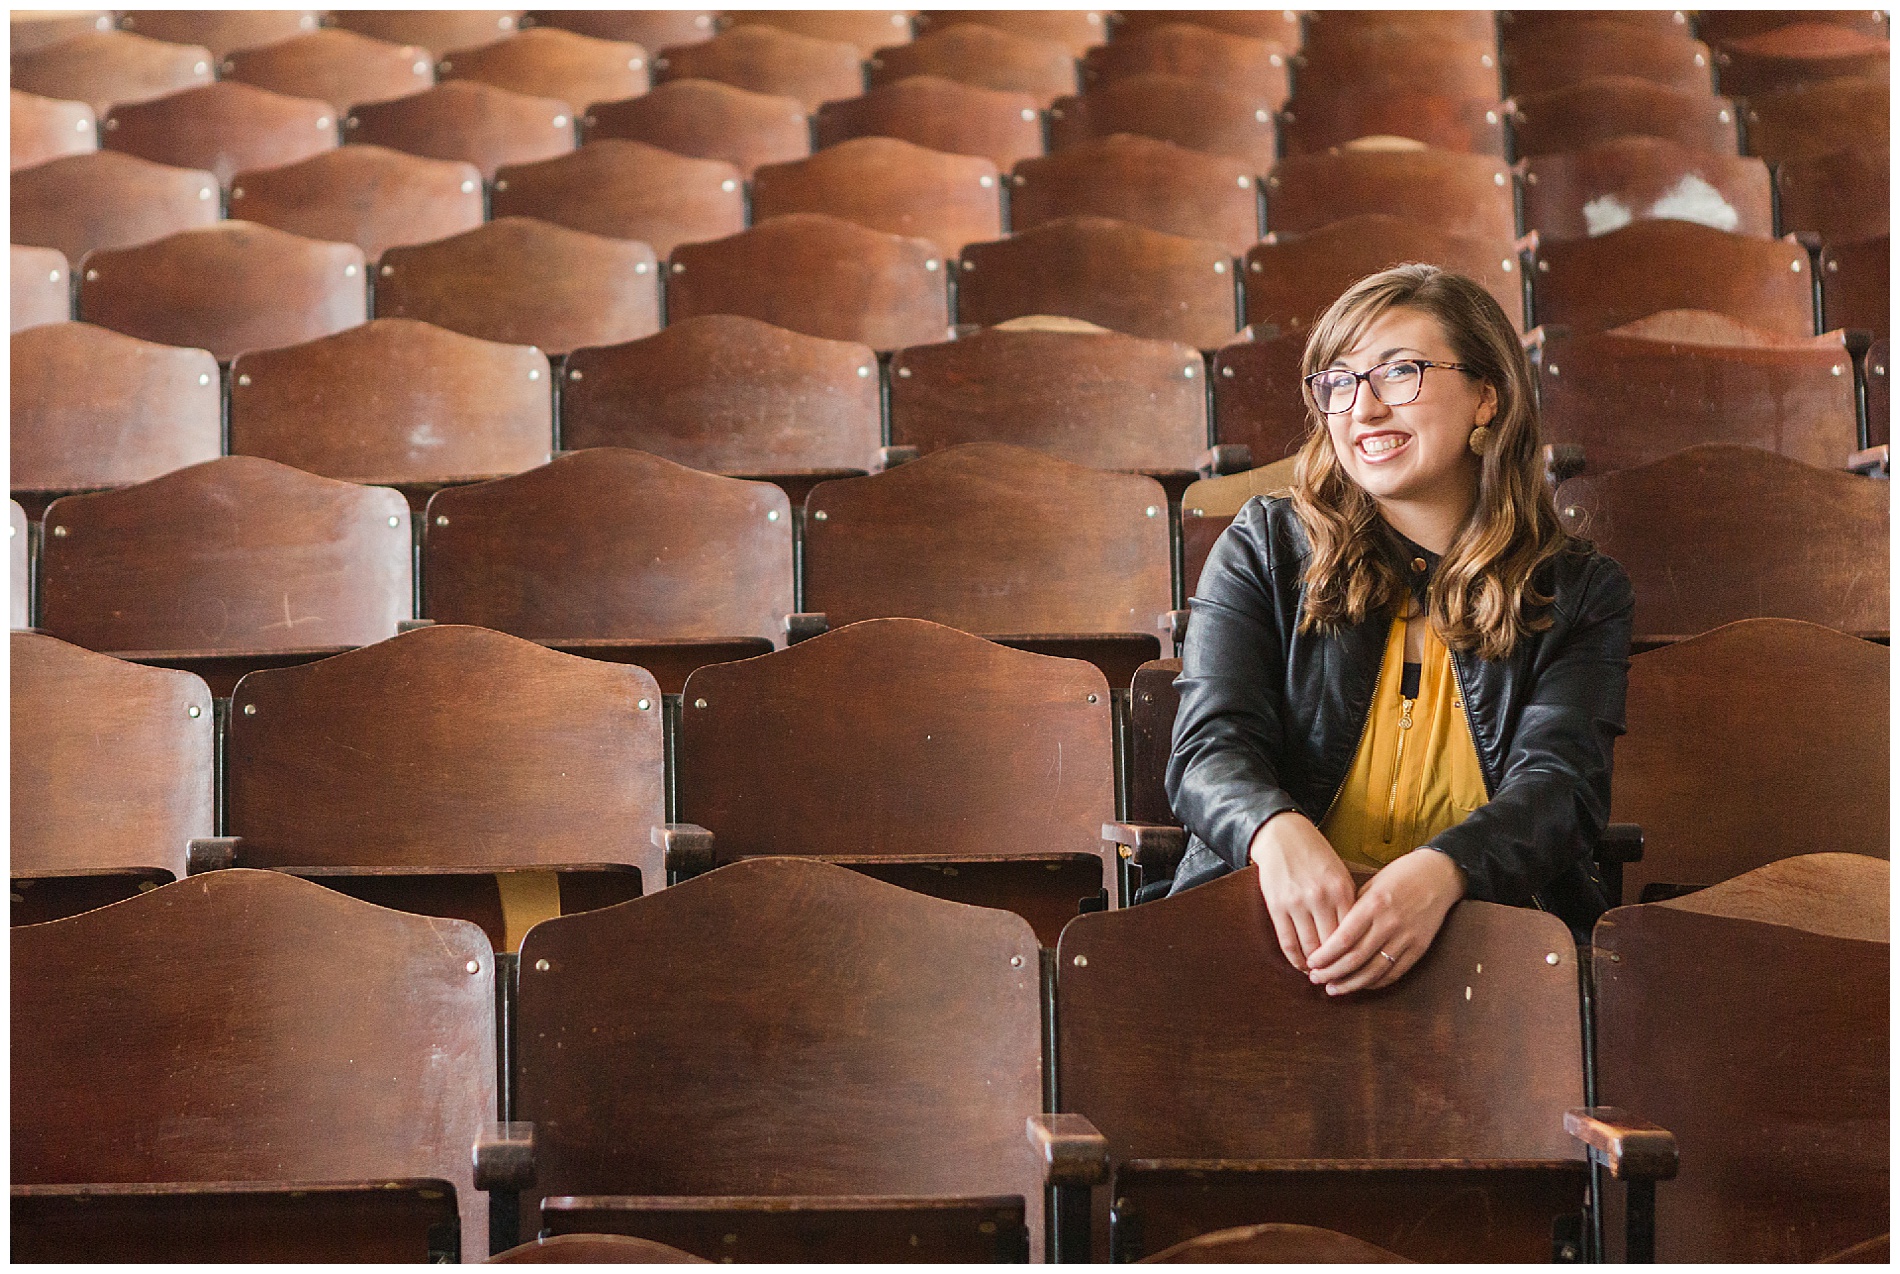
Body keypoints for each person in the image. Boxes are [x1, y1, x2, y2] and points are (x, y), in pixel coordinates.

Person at [1166, 263, 1634, 996]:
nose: (1364, 409)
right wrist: (1276, 835)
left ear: (1487, 396)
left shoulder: (1578, 590)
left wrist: (1442, 874)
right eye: (1340, 382)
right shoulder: (1264, 544)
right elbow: (1207, 751)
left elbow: (1561, 790)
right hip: (1273, 935)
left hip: (1488, 949)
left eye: (1400, 373)